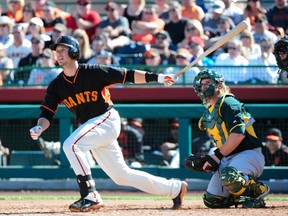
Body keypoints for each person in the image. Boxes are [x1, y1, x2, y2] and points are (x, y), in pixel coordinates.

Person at [29, 35, 187, 212]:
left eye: (63, 49)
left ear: (74, 52)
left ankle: (90, 194)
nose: (58, 53)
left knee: (71, 145)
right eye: (56, 50)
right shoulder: (56, 85)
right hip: (92, 129)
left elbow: (127, 74)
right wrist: (40, 127)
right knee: (122, 176)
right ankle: (174, 189)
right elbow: (47, 113)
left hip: (106, 119)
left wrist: (158, 78)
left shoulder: (93, 71)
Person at [185, 69, 270, 208]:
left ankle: (260, 191)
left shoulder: (229, 103)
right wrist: (207, 159)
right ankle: (239, 196)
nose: (204, 86)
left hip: (249, 153)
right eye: (202, 84)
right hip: (228, 157)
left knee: (230, 177)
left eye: (207, 82)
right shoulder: (209, 111)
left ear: (219, 85)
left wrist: (216, 157)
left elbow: (238, 134)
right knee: (212, 200)